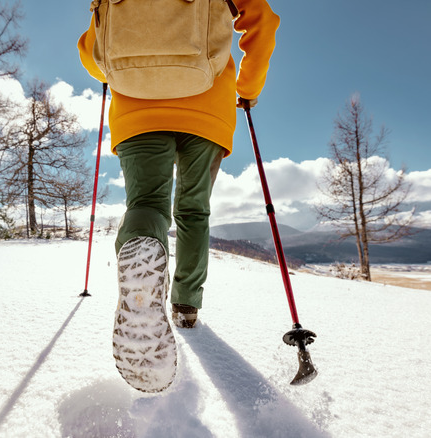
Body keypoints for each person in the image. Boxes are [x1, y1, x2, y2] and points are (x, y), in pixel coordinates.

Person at [78, 0, 280, 392]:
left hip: (137, 108)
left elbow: (92, 48)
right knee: (192, 210)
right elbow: (262, 23)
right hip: (208, 106)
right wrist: (248, 88)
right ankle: (186, 305)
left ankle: (141, 251)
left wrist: (124, 68)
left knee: (146, 205)